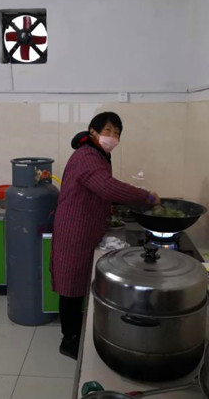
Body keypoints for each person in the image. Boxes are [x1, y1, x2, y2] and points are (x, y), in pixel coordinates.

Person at [50, 111, 160, 360]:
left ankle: (76, 330)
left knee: (77, 282)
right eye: (108, 130)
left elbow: (97, 189)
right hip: (74, 229)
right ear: (93, 132)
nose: (113, 136)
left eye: (117, 133)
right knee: (71, 286)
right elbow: (107, 186)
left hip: (84, 227)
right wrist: (146, 197)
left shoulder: (98, 154)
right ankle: (69, 340)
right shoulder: (87, 155)